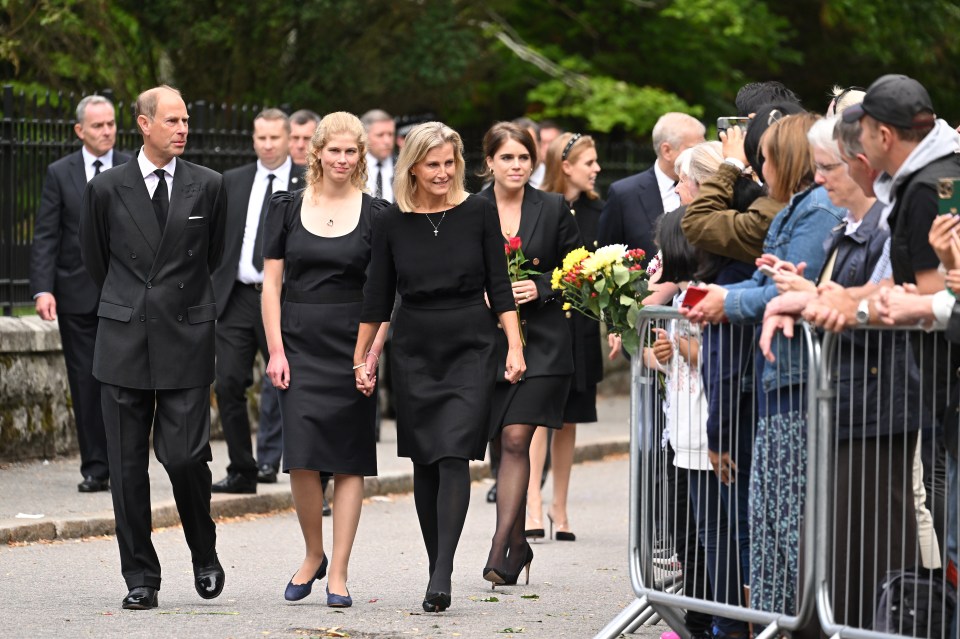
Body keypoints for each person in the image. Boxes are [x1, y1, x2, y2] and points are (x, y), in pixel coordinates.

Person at [758, 114, 924, 631]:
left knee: (869, 546)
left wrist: (810, 300)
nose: (819, 179)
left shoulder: (883, 228)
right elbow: (838, 300)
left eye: (826, 168)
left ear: (858, 165)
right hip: (845, 403)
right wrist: (799, 296)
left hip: (876, 405)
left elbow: (884, 302)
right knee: (832, 545)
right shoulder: (846, 230)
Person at [354, 122, 525, 613]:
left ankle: (443, 570)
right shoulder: (390, 219)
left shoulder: (479, 210)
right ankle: (437, 566)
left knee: (453, 454)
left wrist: (514, 345)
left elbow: (500, 283)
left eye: (450, 163)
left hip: (471, 341)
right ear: (413, 166)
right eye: (433, 164)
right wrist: (361, 357)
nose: (444, 173)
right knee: (424, 459)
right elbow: (377, 296)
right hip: (413, 346)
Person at [683, 113, 844, 616]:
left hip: (799, 378)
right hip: (778, 375)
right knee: (770, 516)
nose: (759, 164)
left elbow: (786, 288)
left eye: (766, 155)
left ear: (788, 157)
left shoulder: (816, 209)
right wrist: (720, 294)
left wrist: (723, 303)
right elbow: (765, 280)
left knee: (788, 522)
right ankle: (777, 619)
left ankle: (798, 621)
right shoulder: (796, 206)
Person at [79, 84, 227, 610]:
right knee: (124, 466)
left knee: (186, 457)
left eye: (186, 120)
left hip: (186, 333)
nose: (183, 129)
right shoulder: (106, 188)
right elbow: (98, 262)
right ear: (143, 124)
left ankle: (203, 550)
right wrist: (129, 302)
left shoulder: (208, 186)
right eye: (172, 121)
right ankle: (141, 576)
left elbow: (212, 256)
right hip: (123, 336)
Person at [261, 111, 388, 608]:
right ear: (316, 152)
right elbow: (271, 284)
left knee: (350, 458)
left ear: (359, 156)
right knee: (304, 458)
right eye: (333, 150)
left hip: (353, 346)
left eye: (350, 151)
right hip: (298, 344)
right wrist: (275, 349)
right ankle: (312, 553)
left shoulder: (377, 214)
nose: (341, 159)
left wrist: (372, 354)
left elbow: (385, 294)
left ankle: (338, 569)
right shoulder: (286, 207)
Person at [477, 122, 582, 587]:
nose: (516, 166)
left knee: (518, 439)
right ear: (490, 163)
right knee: (502, 444)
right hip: (486, 345)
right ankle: (518, 546)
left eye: (523, 157)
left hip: (543, 345)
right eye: (507, 158)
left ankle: (499, 548)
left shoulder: (554, 207)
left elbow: (580, 272)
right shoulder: (470, 207)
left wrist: (539, 286)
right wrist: (479, 293)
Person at [29, 94, 130, 493]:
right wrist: (42, 289)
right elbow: (46, 234)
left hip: (125, 295)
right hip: (75, 295)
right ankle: (95, 467)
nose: (107, 131)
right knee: (85, 383)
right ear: (80, 131)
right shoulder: (60, 173)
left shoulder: (131, 167)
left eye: (111, 124)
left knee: (124, 384)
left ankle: (125, 464)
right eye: (98, 126)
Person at [210, 108, 305, 493]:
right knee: (228, 383)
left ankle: (311, 477)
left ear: (288, 139)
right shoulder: (232, 181)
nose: (267, 145)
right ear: (253, 140)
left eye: (274, 138)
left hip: (284, 300)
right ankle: (242, 470)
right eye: (261, 138)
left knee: (294, 386)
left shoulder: (305, 183)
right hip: (237, 297)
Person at [525, 131, 602, 542]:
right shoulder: (538, 206)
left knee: (569, 420)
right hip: (545, 323)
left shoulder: (598, 211)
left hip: (583, 326)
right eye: (589, 163)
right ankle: (532, 503)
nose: (597, 170)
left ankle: (560, 506)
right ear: (566, 166)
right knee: (538, 417)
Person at [598, 112, 705, 265]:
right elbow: (606, 259)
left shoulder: (707, 186)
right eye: (694, 149)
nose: (700, 155)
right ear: (667, 151)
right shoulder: (624, 194)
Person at [361, 109, 396, 202]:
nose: (387, 141)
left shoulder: (403, 166)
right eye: (380, 135)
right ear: (365, 136)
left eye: (390, 134)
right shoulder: (354, 166)